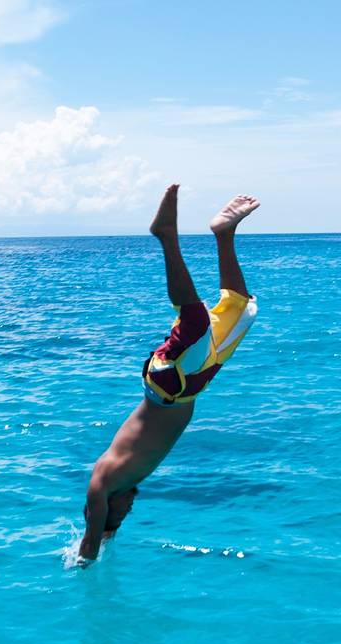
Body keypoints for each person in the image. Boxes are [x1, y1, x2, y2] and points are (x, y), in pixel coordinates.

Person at [78, 184, 260, 562]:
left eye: (120, 513)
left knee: (195, 322)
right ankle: (224, 233)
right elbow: (106, 530)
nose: (128, 510)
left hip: (167, 385)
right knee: (242, 310)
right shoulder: (127, 480)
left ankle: (166, 237)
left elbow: (91, 535)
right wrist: (111, 536)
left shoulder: (102, 483)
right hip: (190, 384)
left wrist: (85, 564)